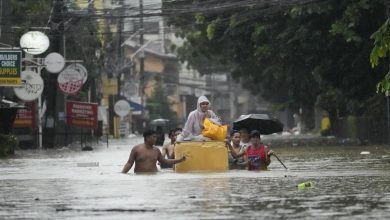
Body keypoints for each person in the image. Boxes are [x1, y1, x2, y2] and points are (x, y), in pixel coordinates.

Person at [122, 130, 186, 173]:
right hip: (140, 177)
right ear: (147, 138)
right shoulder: (136, 149)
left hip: (154, 176)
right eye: (154, 137)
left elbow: (164, 161)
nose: (156, 139)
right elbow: (129, 164)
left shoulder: (156, 150)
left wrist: (180, 160)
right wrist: (122, 174)